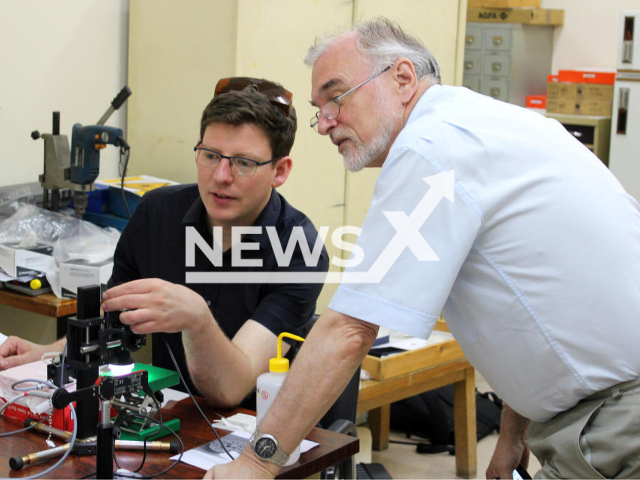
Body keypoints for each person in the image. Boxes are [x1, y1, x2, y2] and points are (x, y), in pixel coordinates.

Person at [209, 18, 640, 479]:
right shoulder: (479, 123)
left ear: (402, 78)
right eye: (320, 109)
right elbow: (536, 298)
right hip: (598, 408)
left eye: (336, 97)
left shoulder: (430, 146)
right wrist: (514, 433)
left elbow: (351, 329)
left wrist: (256, 463)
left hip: (615, 418)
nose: (325, 124)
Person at [0, 77, 329, 411]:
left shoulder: (300, 251)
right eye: (211, 155)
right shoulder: (157, 214)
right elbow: (112, 319)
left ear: (280, 171)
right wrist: (47, 353)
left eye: (244, 163)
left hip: (252, 432)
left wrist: (197, 320)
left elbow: (231, 390)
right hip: (166, 417)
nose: (221, 176)